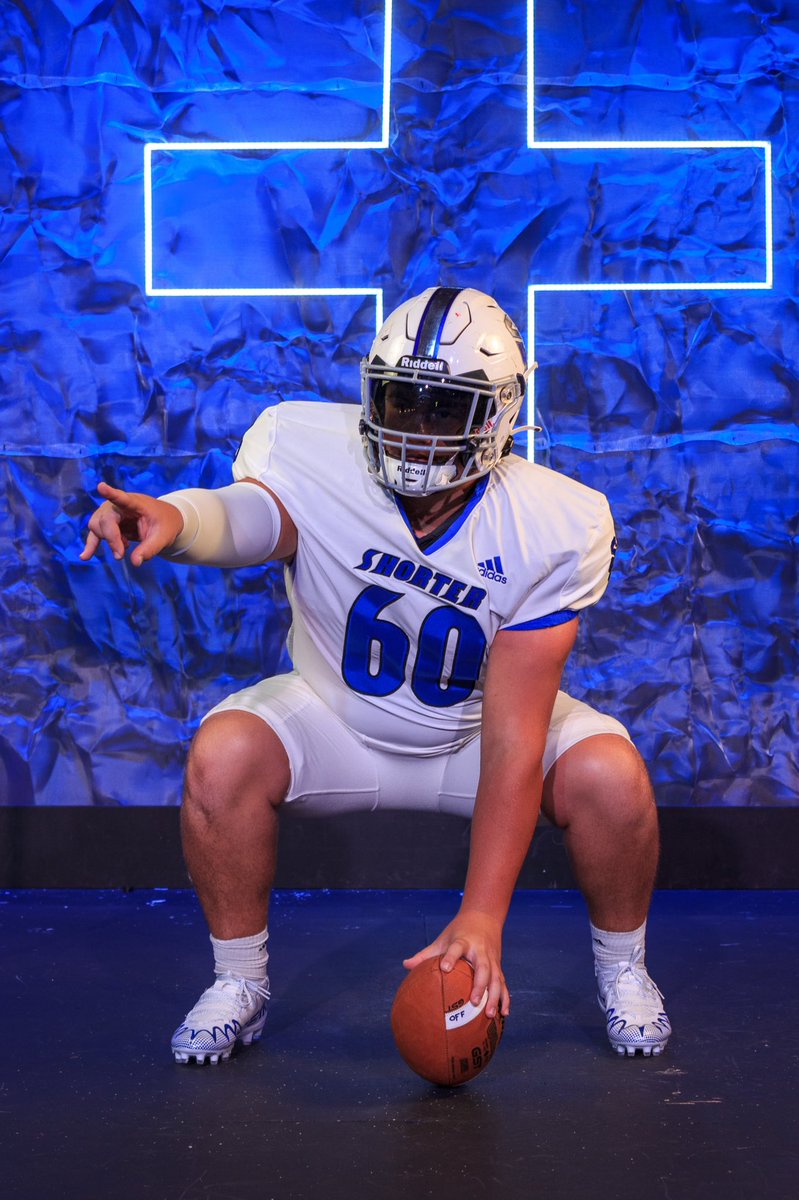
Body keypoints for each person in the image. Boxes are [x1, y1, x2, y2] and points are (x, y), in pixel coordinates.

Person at [81, 286, 671, 1065]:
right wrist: (180, 521)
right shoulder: (312, 450)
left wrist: (481, 915)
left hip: (471, 737)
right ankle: (239, 983)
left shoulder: (554, 522)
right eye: (399, 400)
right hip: (336, 718)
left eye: (442, 407)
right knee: (222, 752)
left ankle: (624, 970)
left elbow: (514, 732)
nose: (414, 428)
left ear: (499, 414)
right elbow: (250, 517)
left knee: (612, 775)